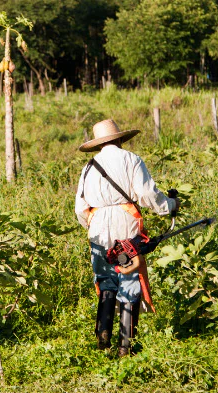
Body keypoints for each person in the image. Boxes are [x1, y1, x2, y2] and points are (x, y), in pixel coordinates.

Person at [74, 119, 178, 356]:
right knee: (129, 278)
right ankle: (125, 347)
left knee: (105, 279)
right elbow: (147, 194)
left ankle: (103, 335)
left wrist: (94, 225)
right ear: (120, 138)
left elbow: (80, 208)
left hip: (97, 223)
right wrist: (170, 205)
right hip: (126, 220)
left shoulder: (88, 167)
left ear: (98, 144)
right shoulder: (131, 159)